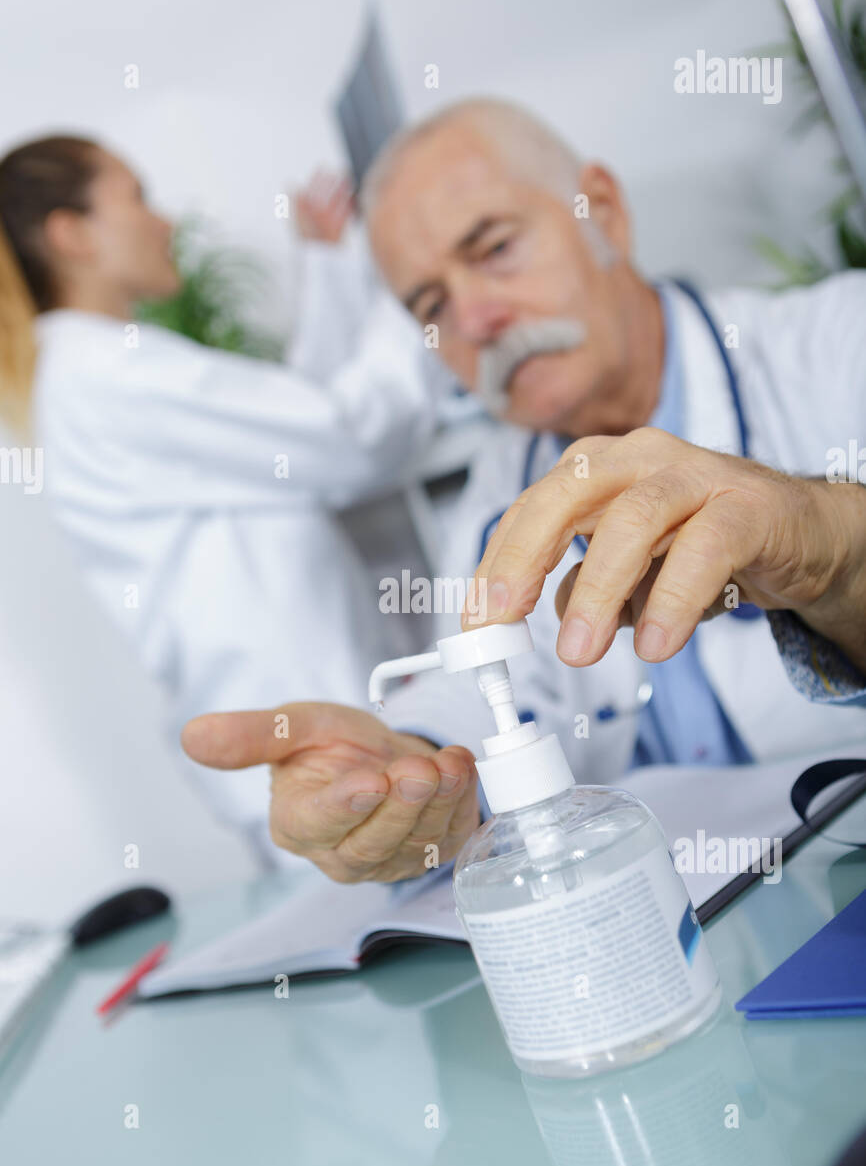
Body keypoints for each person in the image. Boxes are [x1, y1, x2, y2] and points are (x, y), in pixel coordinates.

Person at [182, 97, 866, 886]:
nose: (474, 318)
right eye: (431, 305)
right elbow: (473, 696)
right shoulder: (493, 502)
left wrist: (832, 552)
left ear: (601, 213)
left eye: (496, 247)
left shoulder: (841, 343)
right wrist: (406, 765)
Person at [0, 134, 445, 866]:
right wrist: (423, 295)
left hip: (307, 744)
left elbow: (292, 428)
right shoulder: (107, 372)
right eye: (136, 197)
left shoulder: (95, 366)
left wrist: (333, 269)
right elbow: (346, 439)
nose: (164, 221)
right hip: (314, 754)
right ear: (70, 234)